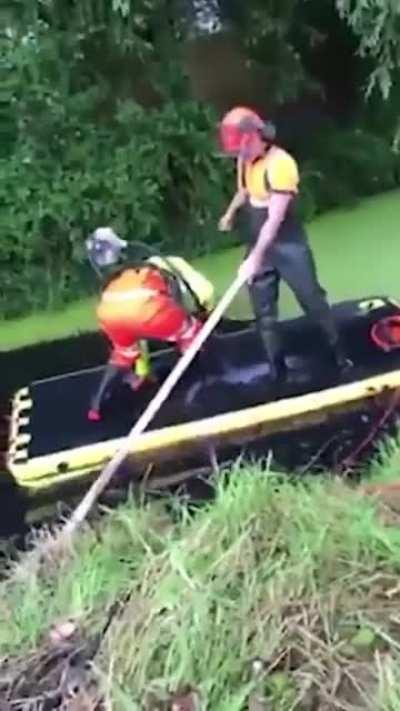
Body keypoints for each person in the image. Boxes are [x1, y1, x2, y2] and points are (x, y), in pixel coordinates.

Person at [218, 105, 352, 383]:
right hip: (258, 242)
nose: (237, 155)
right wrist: (230, 214)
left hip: (287, 244)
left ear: (253, 137)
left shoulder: (281, 165)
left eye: (239, 148)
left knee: (312, 300)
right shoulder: (245, 160)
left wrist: (254, 258)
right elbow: (244, 190)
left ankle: (342, 357)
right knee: (263, 313)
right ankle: (277, 371)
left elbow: (275, 219)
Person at [86, 227, 215, 421]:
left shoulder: (123, 276)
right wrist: (205, 315)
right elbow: (205, 293)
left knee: (123, 354)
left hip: (109, 313)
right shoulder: (168, 265)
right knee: (193, 334)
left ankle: (96, 406)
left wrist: (142, 371)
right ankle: (206, 380)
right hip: (147, 309)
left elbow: (136, 334)